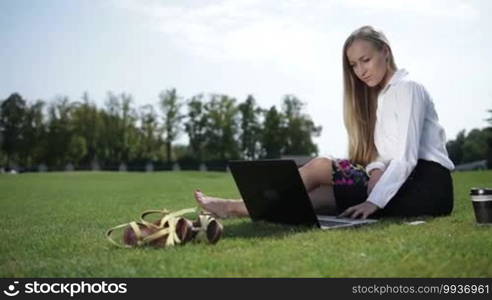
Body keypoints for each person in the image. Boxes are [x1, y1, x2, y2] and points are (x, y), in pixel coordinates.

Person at [194, 25, 455, 220]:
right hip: (398, 181)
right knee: (317, 198)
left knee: (320, 166)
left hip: (427, 187)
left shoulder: (408, 89)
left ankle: (231, 206)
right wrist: (375, 169)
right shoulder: (383, 99)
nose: (361, 71)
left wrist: (373, 202)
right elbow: (384, 153)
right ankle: (241, 210)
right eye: (354, 65)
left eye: (366, 60)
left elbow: (406, 156)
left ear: (385, 52)